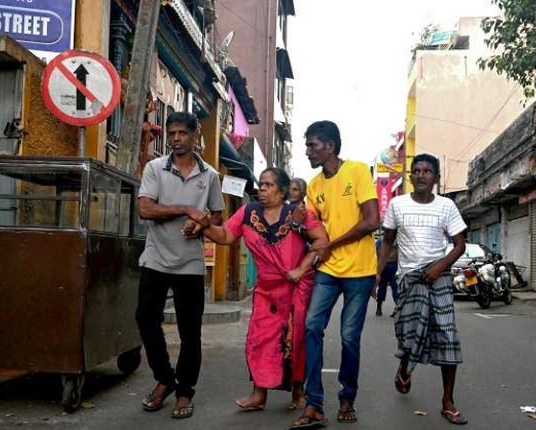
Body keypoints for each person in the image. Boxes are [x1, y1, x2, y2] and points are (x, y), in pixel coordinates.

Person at [190, 167, 328, 412]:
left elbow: (321, 241)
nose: (262, 189)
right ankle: (259, 393)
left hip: (296, 286)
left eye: (268, 185)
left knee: (295, 340)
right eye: (261, 184)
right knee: (259, 338)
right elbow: (225, 236)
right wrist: (204, 227)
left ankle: (298, 388)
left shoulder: (296, 213)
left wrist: (301, 268)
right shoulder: (248, 212)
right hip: (266, 288)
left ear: (282, 190)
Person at [290, 120, 380, 428]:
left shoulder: (357, 171)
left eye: (312, 145)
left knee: (348, 337)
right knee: (311, 326)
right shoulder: (314, 185)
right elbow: (314, 233)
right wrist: (301, 224)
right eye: (308, 145)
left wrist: (332, 244)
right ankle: (314, 403)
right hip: (327, 269)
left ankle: (347, 397)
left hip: (360, 270)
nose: (308, 151)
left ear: (329, 146)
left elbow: (372, 221)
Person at [135, 111, 224, 419]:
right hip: (155, 258)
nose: (174, 139)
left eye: (181, 133)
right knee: (146, 319)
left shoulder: (209, 175)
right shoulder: (155, 168)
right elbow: (145, 209)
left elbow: (216, 216)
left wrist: (200, 227)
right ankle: (164, 379)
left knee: (190, 332)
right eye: (171, 134)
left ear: (194, 134)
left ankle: (184, 392)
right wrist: (186, 209)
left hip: (190, 263)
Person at [377, 153, 469, 425]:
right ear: (410, 176)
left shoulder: (447, 207)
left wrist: (439, 267)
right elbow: (388, 241)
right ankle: (405, 365)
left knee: (446, 333)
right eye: (416, 170)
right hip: (409, 278)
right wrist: (378, 274)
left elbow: (459, 245)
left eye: (427, 171)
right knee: (410, 331)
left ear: (436, 178)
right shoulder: (397, 204)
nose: (420, 175)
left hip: (438, 276)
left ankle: (448, 402)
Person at [373, 230, 399, 316]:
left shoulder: (380, 242)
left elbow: (376, 253)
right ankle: (397, 308)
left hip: (383, 265)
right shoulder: (398, 241)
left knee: (382, 287)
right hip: (395, 265)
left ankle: (378, 308)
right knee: (395, 288)